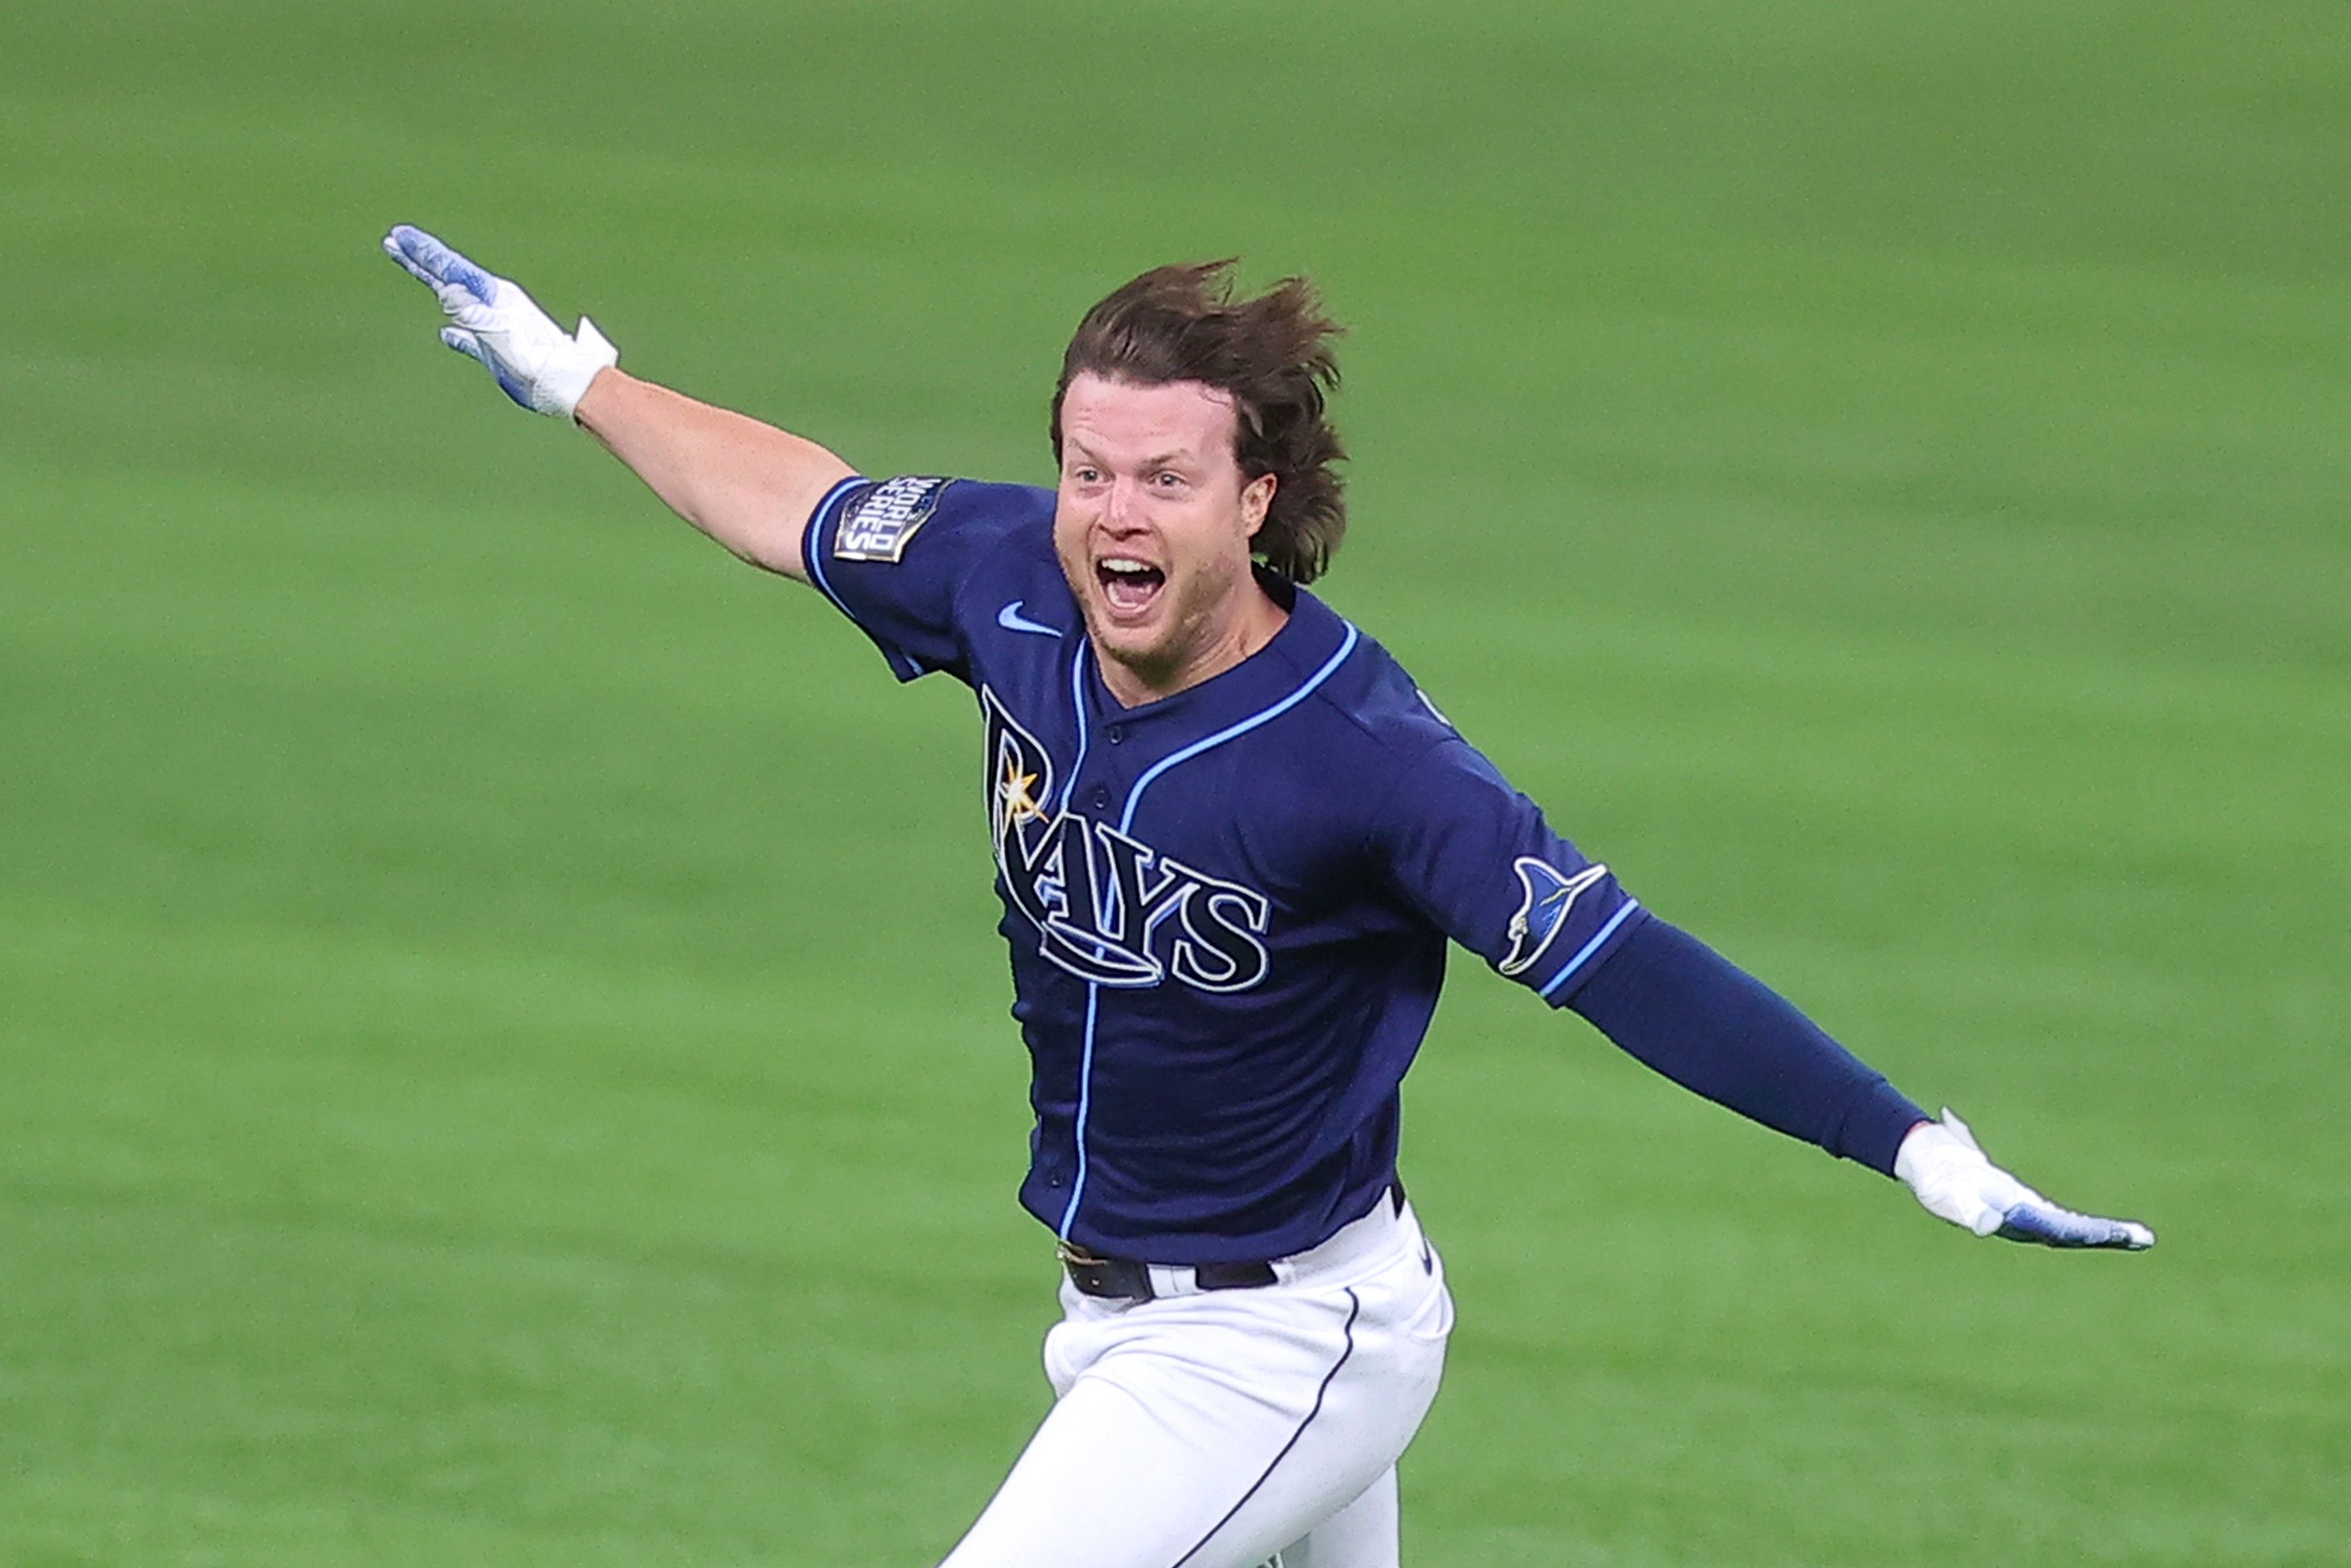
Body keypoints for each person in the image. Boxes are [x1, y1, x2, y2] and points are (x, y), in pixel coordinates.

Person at [381, 225, 2154, 1568]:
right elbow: (804, 504)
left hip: (1282, 1334)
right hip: (1127, 1314)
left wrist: (1905, 1139)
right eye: (1089, 467)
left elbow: (1623, 963)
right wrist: (582, 378)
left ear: (1262, 495)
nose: (1109, 511)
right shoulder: (1004, 579)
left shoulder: (1368, 757)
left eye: (1163, 475)